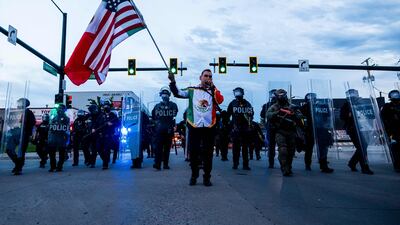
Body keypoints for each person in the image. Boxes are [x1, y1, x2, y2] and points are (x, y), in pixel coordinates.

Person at [169, 69, 224, 186]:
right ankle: (194, 175)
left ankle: (207, 177)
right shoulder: (192, 90)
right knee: (193, 152)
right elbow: (178, 93)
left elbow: (220, 100)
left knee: (208, 153)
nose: (208, 78)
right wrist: (173, 81)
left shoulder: (213, 91)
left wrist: (214, 87)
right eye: (206, 76)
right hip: (195, 125)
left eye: (210, 76)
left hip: (209, 125)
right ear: (200, 77)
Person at [267, 89, 303, 176]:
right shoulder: (274, 107)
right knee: (283, 150)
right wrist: (278, 112)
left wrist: (294, 114)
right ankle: (284, 168)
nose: (281, 97)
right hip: (280, 131)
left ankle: (289, 166)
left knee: (291, 151)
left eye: (282, 95)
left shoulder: (292, 106)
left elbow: (300, 116)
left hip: (291, 131)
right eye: (279, 95)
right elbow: (268, 115)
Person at [340, 89, 374, 175]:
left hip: (363, 128)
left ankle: (352, 163)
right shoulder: (346, 105)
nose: (353, 97)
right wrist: (349, 115)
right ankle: (364, 167)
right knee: (361, 148)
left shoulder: (362, 103)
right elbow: (342, 116)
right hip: (353, 129)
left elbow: (369, 114)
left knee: (362, 147)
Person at [300, 93, 334, 173]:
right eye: (310, 98)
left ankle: (324, 165)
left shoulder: (321, 106)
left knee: (323, 148)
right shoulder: (304, 108)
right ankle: (308, 165)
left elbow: (327, 117)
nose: (311, 99)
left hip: (321, 129)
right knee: (309, 148)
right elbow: (301, 119)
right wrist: (303, 129)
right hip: (309, 130)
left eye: (313, 97)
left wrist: (328, 126)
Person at [5, 98, 36, 175]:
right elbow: (9, 122)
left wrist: (27, 131)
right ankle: (17, 163)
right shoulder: (14, 112)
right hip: (14, 134)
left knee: (21, 152)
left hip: (24, 134)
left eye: (20, 103)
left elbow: (32, 123)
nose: (18, 105)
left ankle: (18, 168)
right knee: (9, 150)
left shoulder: (28, 113)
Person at [227, 87, 254, 170]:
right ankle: (235, 163)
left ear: (242, 93)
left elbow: (251, 114)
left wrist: (250, 115)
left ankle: (245, 164)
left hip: (245, 128)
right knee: (236, 147)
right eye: (236, 92)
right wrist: (229, 126)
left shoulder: (247, 103)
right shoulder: (232, 103)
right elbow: (228, 115)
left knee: (245, 147)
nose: (238, 94)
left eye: (239, 92)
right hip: (236, 128)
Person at [152, 87, 178, 170]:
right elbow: (174, 114)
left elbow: (153, 117)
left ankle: (161, 164)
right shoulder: (172, 105)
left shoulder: (158, 106)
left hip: (164, 129)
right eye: (164, 94)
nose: (165, 96)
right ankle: (161, 164)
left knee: (163, 148)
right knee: (162, 148)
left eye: (165, 94)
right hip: (164, 129)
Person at [381, 89, 400, 172]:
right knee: (395, 148)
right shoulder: (387, 106)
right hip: (392, 131)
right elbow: (383, 117)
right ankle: (397, 165)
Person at [47, 104, 70, 172]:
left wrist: (67, 140)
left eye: (60, 108)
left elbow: (66, 129)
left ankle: (59, 166)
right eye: (58, 109)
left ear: (63, 110)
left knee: (61, 153)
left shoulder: (66, 118)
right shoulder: (53, 117)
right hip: (53, 138)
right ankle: (53, 166)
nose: (59, 110)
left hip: (61, 138)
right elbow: (50, 127)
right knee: (51, 153)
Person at [260, 89, 277, 168]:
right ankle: (271, 162)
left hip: (281, 128)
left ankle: (285, 163)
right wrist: (266, 126)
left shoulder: (283, 104)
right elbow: (262, 117)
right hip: (271, 128)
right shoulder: (266, 105)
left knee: (283, 146)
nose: (273, 96)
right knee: (271, 146)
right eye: (272, 94)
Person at [102, 101, 120, 169]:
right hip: (103, 134)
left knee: (112, 147)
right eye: (105, 106)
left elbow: (118, 123)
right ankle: (106, 161)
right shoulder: (102, 115)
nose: (105, 108)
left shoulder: (113, 115)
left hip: (111, 134)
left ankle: (109, 161)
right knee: (102, 149)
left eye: (107, 106)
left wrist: (112, 124)